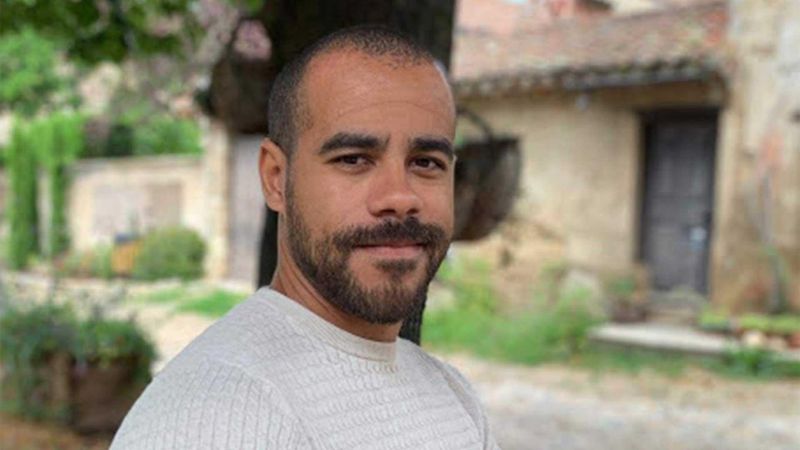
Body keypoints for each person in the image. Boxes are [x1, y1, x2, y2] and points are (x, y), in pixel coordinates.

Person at [111, 25, 498, 449]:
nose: (400, 197)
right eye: (353, 159)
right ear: (276, 179)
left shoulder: (453, 397)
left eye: (426, 162)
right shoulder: (210, 417)